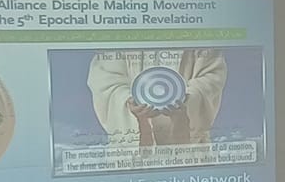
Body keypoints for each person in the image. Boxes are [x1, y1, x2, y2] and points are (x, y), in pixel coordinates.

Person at [87, 48, 228, 151]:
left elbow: (211, 77)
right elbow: (105, 81)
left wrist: (185, 101)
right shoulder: (118, 29)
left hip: (189, 151)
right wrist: (131, 105)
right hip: (129, 156)